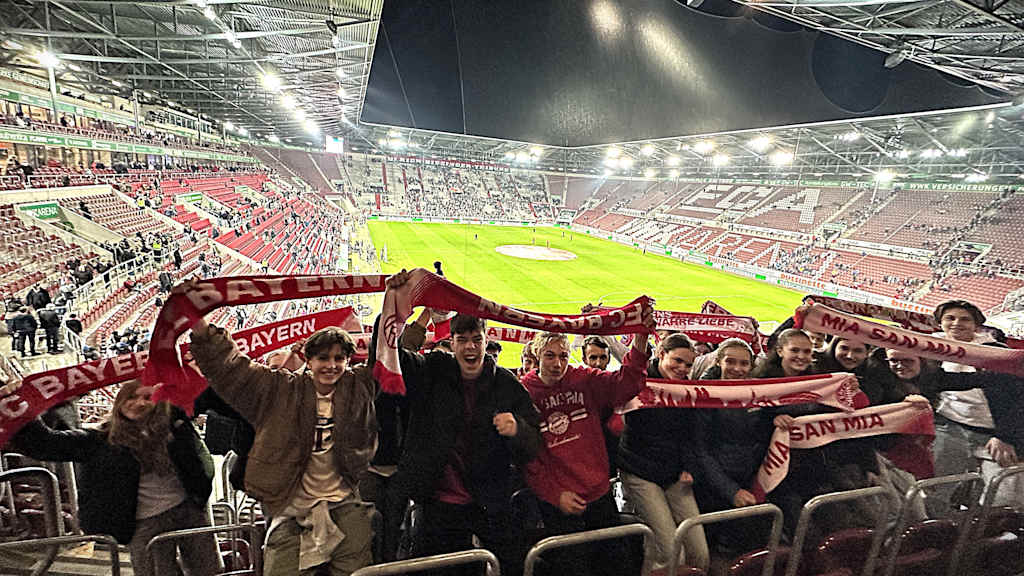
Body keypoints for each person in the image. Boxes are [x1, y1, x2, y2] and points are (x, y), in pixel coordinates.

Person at [190, 310, 378, 576]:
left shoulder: (357, 387)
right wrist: (200, 326)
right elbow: (232, 368)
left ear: (348, 361)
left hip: (343, 505)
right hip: (291, 509)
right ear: (308, 360)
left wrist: (397, 309)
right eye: (323, 358)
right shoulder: (280, 389)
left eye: (339, 358)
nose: (331, 365)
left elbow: (390, 358)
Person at [384, 270, 542, 575]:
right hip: (437, 501)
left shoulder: (506, 384)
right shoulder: (435, 370)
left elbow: (534, 441)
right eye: (463, 340)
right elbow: (396, 356)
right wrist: (410, 311)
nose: (470, 347)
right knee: (434, 569)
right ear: (451, 342)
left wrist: (518, 430)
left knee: (504, 563)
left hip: (488, 500)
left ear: (486, 341)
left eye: (476, 340)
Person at [9, 380, 220, 576]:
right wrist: (17, 405)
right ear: (119, 402)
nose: (139, 403)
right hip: (144, 523)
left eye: (148, 398)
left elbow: (210, 394)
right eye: (131, 397)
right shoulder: (99, 440)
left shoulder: (175, 423)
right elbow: (44, 444)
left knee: (209, 570)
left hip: (190, 510)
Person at [521, 318, 653, 576]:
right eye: (549, 356)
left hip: (598, 493)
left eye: (563, 356)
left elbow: (627, 385)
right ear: (537, 355)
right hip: (560, 501)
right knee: (572, 567)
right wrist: (555, 494)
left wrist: (640, 339)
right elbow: (528, 456)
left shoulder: (583, 379)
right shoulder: (525, 392)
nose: (557, 364)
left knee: (614, 565)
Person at [618, 333, 710, 572]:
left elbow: (691, 435)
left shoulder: (687, 390)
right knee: (669, 552)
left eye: (688, 365)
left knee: (699, 552)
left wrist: (689, 467)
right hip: (640, 472)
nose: (682, 369)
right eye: (677, 361)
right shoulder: (639, 383)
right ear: (661, 354)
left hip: (674, 473)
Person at [694, 339, 773, 553]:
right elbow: (701, 450)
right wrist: (730, 491)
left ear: (751, 366)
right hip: (713, 490)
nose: (737, 369)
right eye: (730, 361)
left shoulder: (759, 393)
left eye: (744, 363)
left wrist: (780, 419)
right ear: (718, 362)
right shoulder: (705, 396)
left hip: (749, 481)